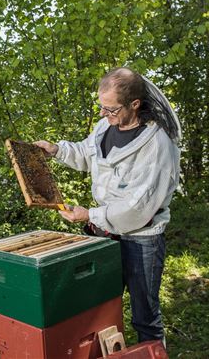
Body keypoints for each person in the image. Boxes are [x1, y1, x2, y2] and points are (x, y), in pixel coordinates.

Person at [34, 67, 181, 345]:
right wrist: (57, 150)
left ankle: (151, 352)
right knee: (99, 309)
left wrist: (89, 214)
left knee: (144, 316)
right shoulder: (106, 125)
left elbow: (138, 207)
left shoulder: (157, 145)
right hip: (104, 234)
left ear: (134, 104)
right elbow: (87, 153)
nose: (103, 114)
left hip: (141, 240)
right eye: (101, 107)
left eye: (110, 109)